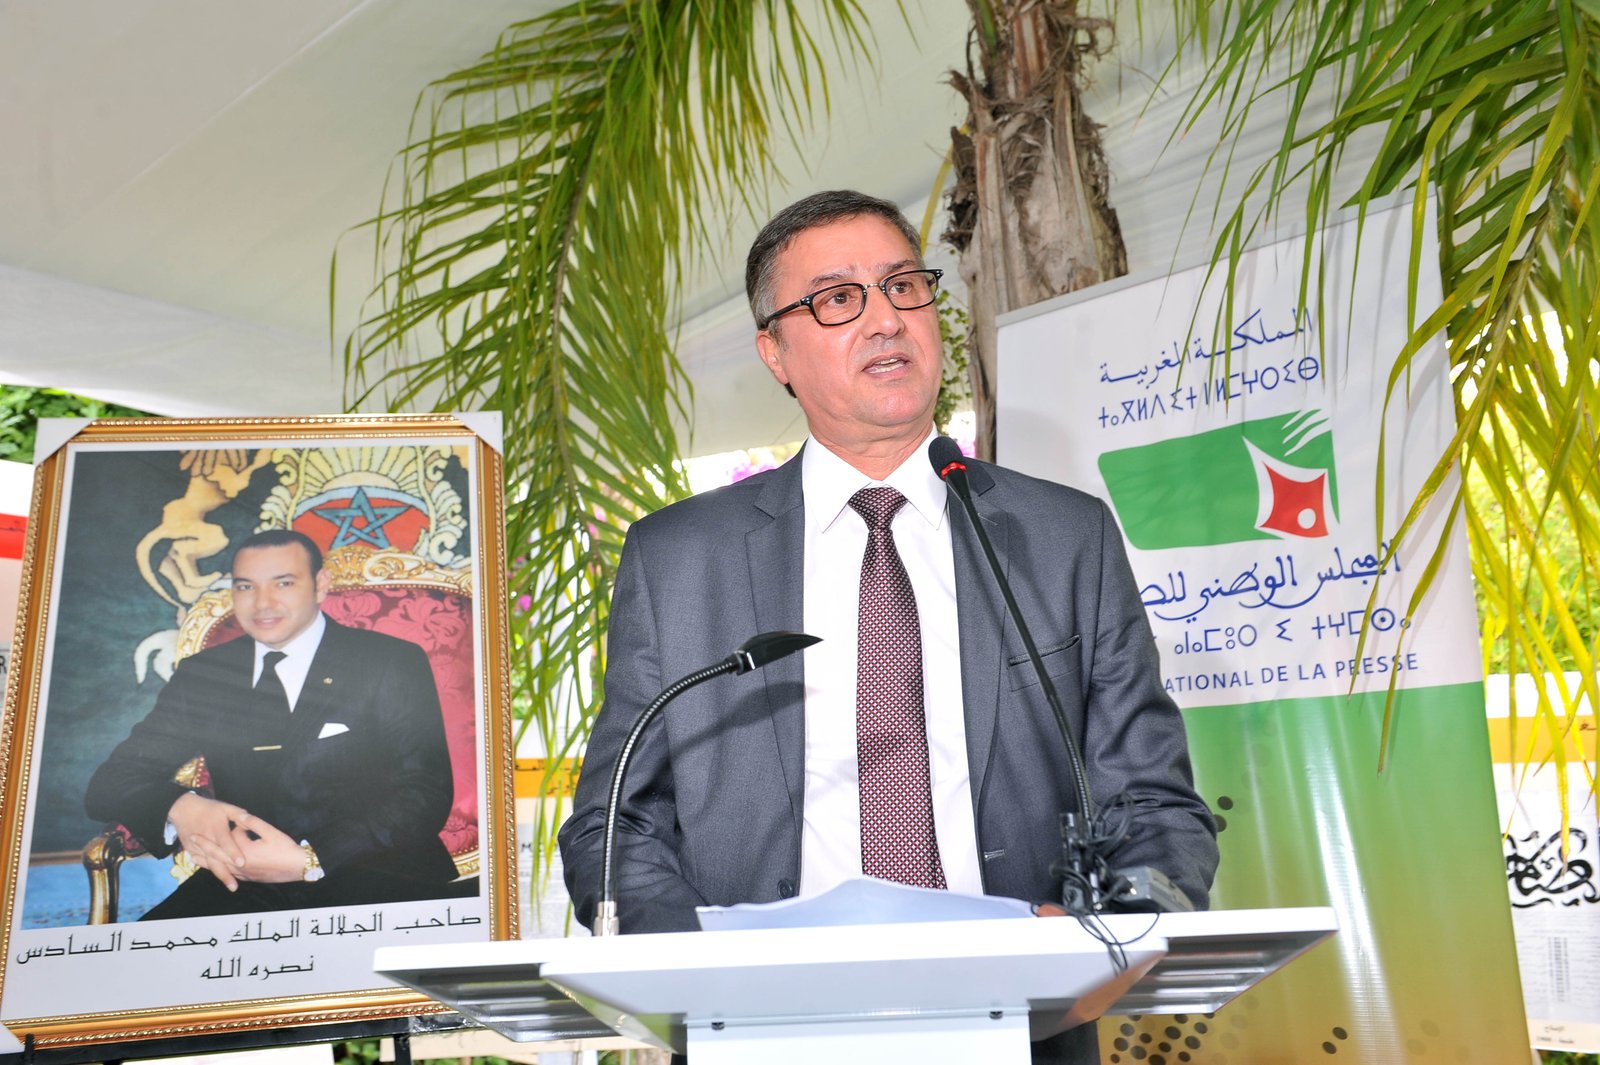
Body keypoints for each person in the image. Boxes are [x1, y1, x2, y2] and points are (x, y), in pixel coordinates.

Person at [559, 190, 1218, 1062]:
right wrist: (704, 969)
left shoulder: (1064, 536)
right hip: (760, 1031)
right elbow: (616, 824)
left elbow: (1153, 801)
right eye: (839, 298)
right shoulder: (679, 559)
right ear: (774, 350)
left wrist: (1108, 937)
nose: (885, 319)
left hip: (1024, 1025)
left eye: (904, 286)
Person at [87, 529, 459, 919]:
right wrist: (181, 807)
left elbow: (426, 791)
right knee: (142, 954)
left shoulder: (388, 661)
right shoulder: (205, 675)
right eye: (245, 586)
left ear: (320, 585)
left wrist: (310, 860)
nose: (262, 603)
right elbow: (110, 782)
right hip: (244, 881)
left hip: (378, 870)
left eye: (283, 583)